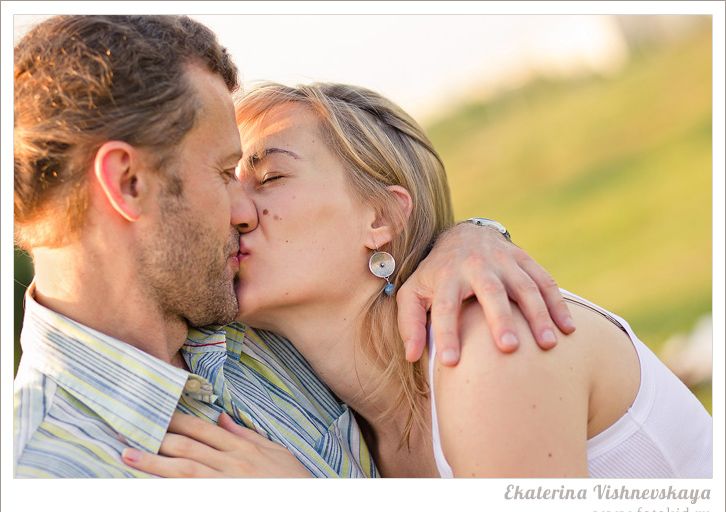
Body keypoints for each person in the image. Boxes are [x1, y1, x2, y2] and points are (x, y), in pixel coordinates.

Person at [13, 15, 573, 478]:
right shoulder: (42, 473)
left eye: (263, 177)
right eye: (221, 171)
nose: (242, 212)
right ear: (128, 182)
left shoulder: (254, 322)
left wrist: (468, 236)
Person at [124, 82, 711, 478]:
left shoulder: (487, 345)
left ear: (380, 218)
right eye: (227, 181)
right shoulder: (309, 399)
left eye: (270, 176)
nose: (236, 211)